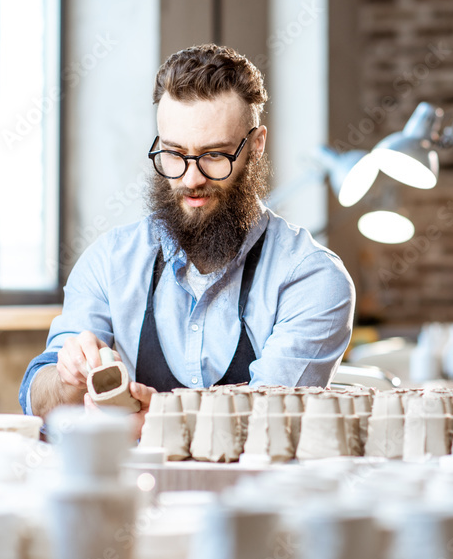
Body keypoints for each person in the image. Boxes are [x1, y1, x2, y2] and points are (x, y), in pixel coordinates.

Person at [19, 44, 355, 433]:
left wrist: (162, 420)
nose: (191, 179)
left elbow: (273, 423)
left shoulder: (311, 278)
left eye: (215, 155)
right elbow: (38, 403)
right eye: (174, 154)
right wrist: (68, 376)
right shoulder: (111, 261)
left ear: (256, 144)